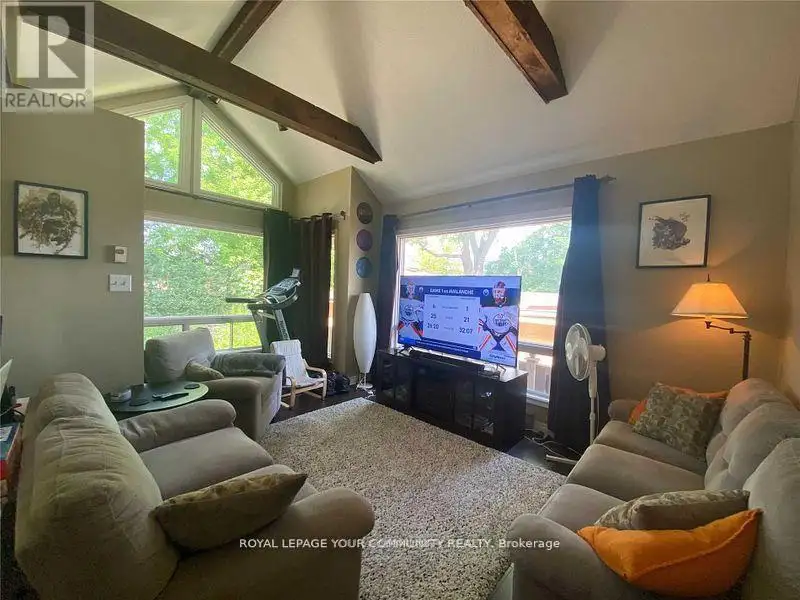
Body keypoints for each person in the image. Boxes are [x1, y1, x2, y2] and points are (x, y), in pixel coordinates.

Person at [478, 281, 518, 361]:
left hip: (507, 335)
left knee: (513, 356)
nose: (497, 295)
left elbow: (516, 322)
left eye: (500, 292)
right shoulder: (486, 305)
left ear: (505, 292)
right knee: (478, 352)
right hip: (491, 334)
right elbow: (479, 320)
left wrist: (514, 330)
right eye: (495, 292)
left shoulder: (513, 306)